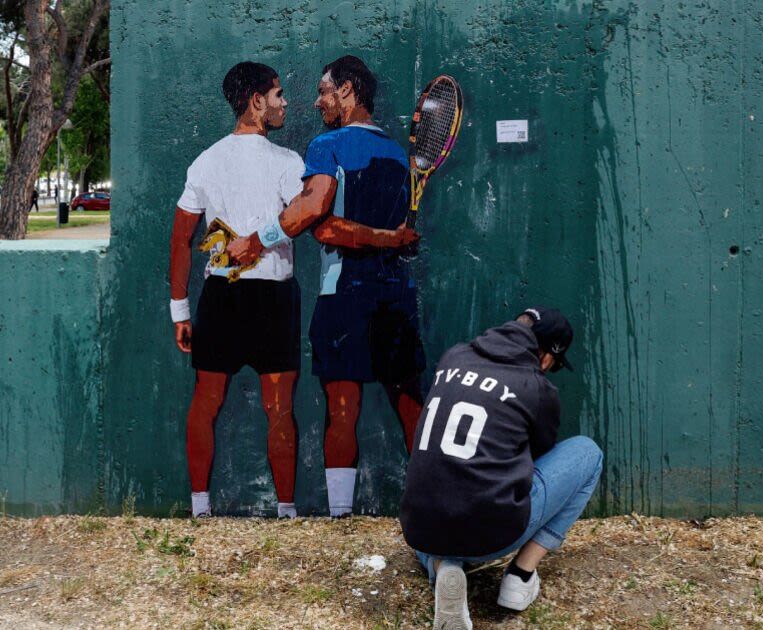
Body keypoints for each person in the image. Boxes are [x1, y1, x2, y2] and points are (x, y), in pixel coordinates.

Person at [227, 55, 421, 517]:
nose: (317, 102)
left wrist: (257, 240)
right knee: (410, 403)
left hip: (344, 294)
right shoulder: (398, 154)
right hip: (396, 292)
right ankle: (433, 505)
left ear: (348, 91)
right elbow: (394, 235)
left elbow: (316, 217)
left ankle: (340, 516)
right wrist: (388, 239)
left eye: (324, 91)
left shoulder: (328, 144)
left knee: (342, 406)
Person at [399, 308, 603, 629]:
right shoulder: (536, 386)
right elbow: (537, 457)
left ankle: (442, 566)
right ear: (548, 357)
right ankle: (520, 578)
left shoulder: (454, 356)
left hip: (418, 524)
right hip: (492, 534)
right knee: (588, 453)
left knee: (433, 522)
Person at [168, 61, 305, 519]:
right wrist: (181, 311)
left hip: (229, 299)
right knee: (277, 407)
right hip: (266, 298)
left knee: (210, 402)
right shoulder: (289, 164)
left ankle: (202, 509)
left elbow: (180, 239)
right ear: (255, 101)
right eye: (278, 94)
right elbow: (182, 238)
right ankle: (280, 511)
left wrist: (180, 311)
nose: (284, 103)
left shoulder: (207, 161)